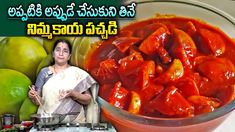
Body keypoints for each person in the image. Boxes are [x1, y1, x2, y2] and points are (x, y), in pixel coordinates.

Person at [28, 39, 98, 123]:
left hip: (75, 123)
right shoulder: (44, 72)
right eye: (58, 50)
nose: (61, 53)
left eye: (65, 51)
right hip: (49, 122)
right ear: (53, 54)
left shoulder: (77, 73)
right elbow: (38, 101)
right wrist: (33, 96)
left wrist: (73, 94)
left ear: (69, 56)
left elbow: (88, 99)